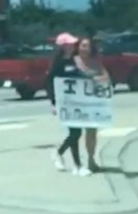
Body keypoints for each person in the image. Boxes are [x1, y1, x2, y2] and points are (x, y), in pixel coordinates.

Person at [47, 32, 92, 176]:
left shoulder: (72, 60)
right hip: (63, 102)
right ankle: (77, 165)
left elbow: (77, 75)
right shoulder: (57, 63)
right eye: (70, 44)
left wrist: (90, 79)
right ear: (63, 46)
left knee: (76, 132)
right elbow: (49, 83)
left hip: (75, 101)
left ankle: (60, 154)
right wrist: (53, 102)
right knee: (75, 132)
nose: (73, 46)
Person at [73, 36, 111, 173]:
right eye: (82, 45)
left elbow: (106, 77)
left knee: (91, 132)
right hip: (75, 103)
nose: (84, 48)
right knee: (74, 133)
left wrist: (93, 79)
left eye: (87, 46)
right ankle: (74, 160)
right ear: (78, 47)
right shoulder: (73, 61)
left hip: (92, 103)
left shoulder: (96, 62)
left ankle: (91, 159)